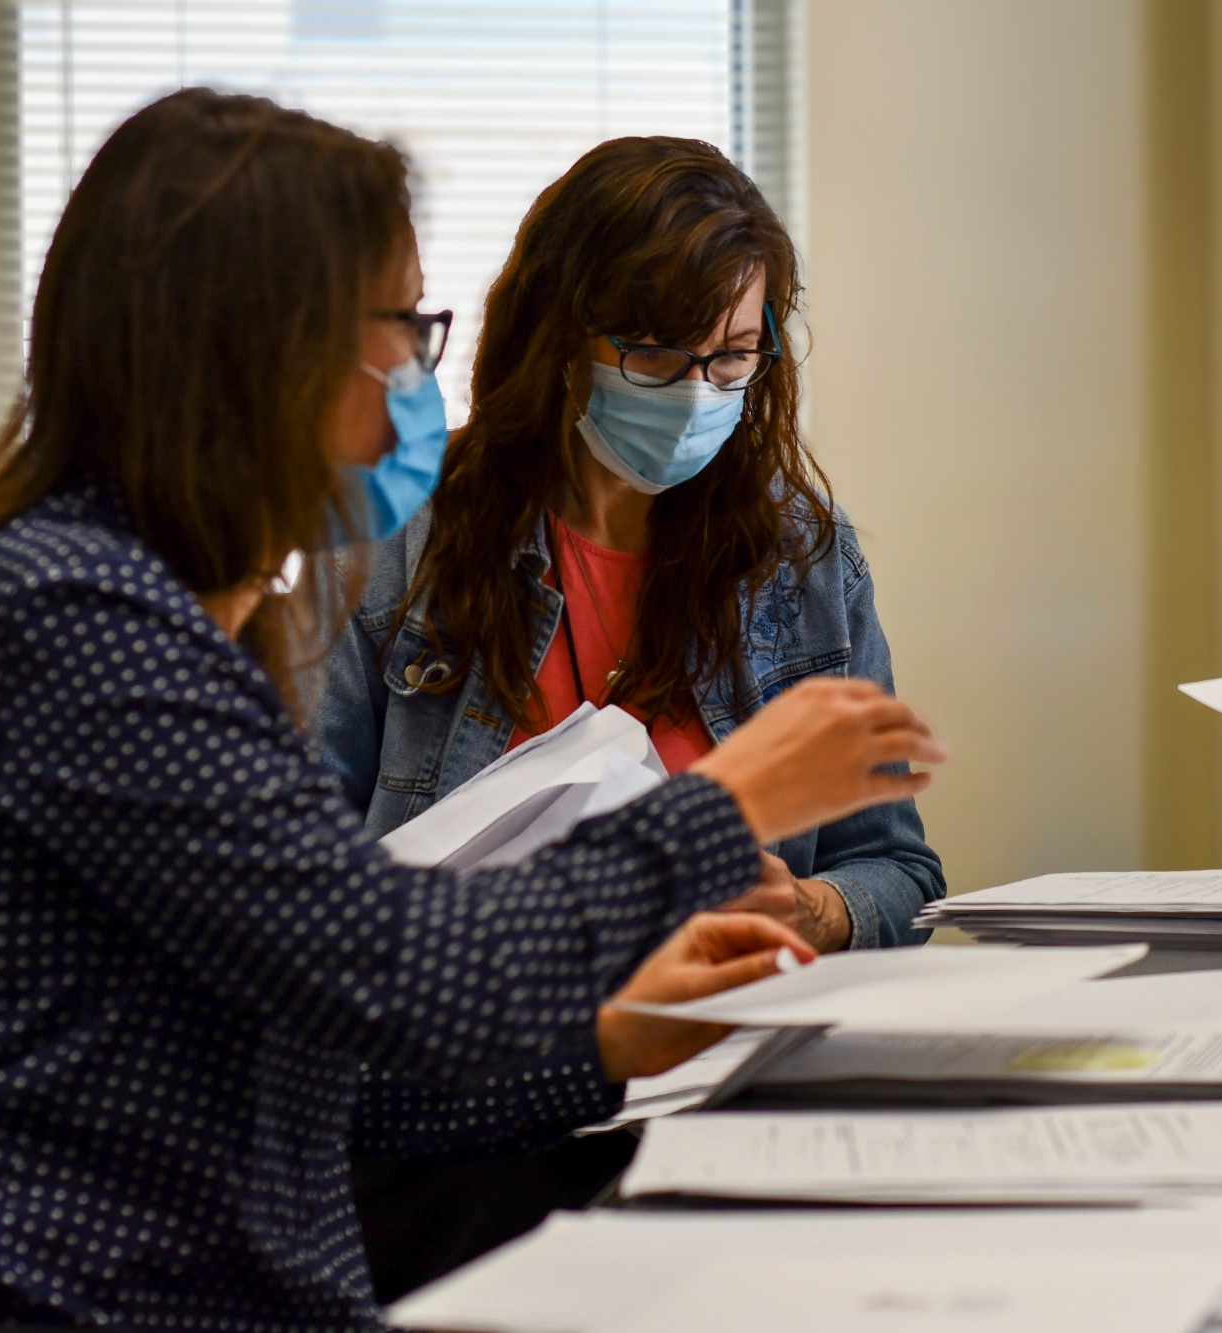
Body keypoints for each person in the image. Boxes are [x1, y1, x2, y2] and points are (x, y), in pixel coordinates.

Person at [0, 89, 942, 1331]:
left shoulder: (151, 615)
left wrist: (607, 1042)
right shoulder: (82, 624)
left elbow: (326, 1045)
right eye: (396, 329)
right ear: (252, 352)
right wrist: (731, 800)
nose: (414, 378)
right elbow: (396, 964)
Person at [313, 135, 941, 954]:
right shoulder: (397, 544)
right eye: (653, 355)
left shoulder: (802, 559)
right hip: (476, 1056)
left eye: (731, 358)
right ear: (560, 338)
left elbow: (898, 867)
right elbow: (300, 889)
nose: (694, 396)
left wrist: (814, 907)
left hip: (735, 1052)